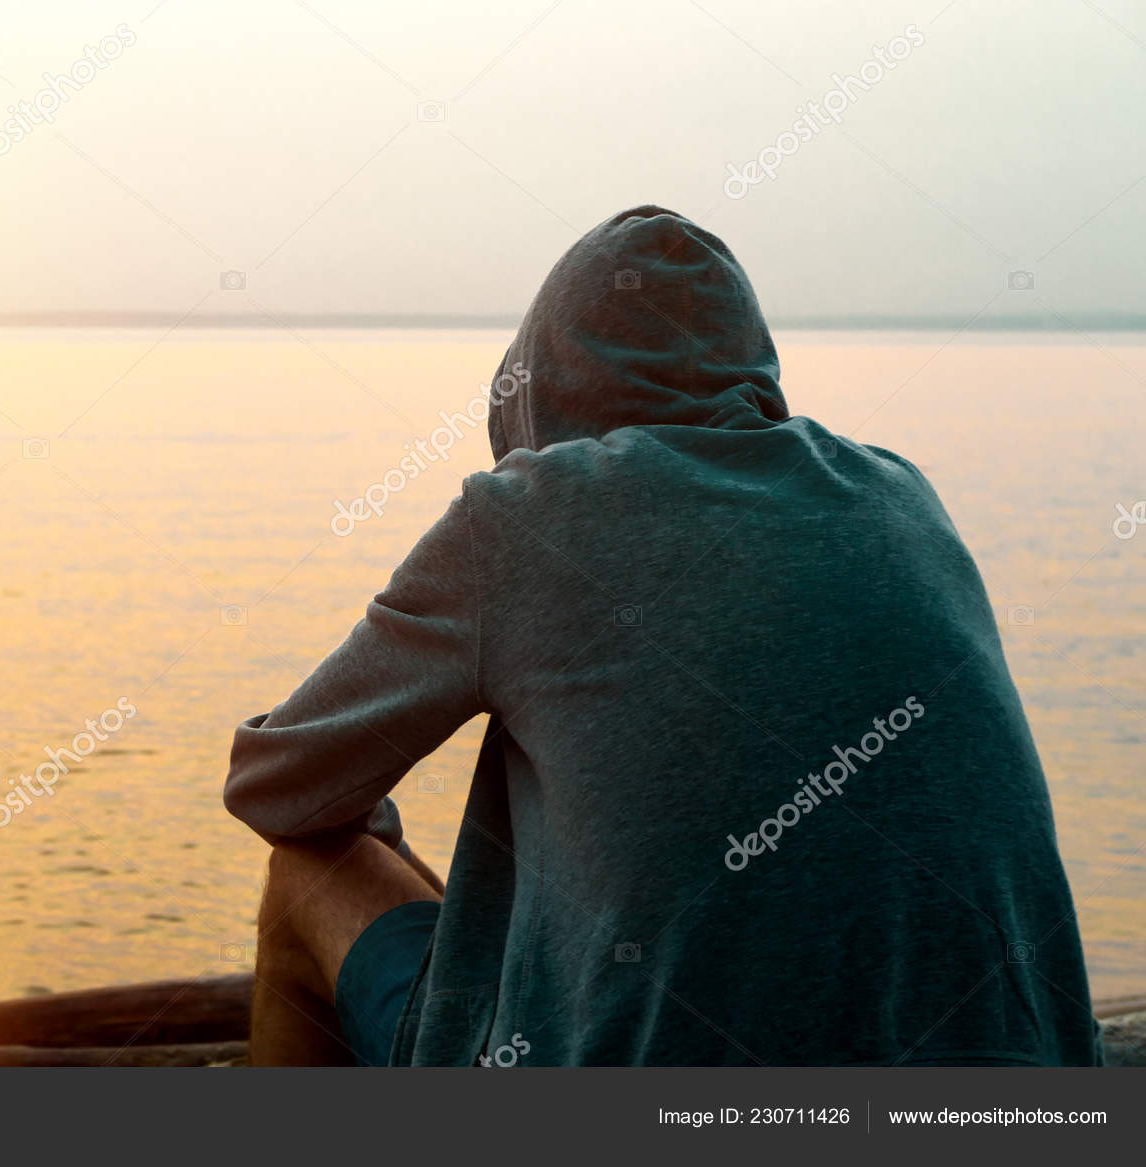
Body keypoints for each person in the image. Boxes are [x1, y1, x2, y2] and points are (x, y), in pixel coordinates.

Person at [222, 206, 1102, 1067]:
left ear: (534, 380)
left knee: (309, 868)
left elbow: (276, 787)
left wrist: (373, 827)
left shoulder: (529, 518)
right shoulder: (901, 497)